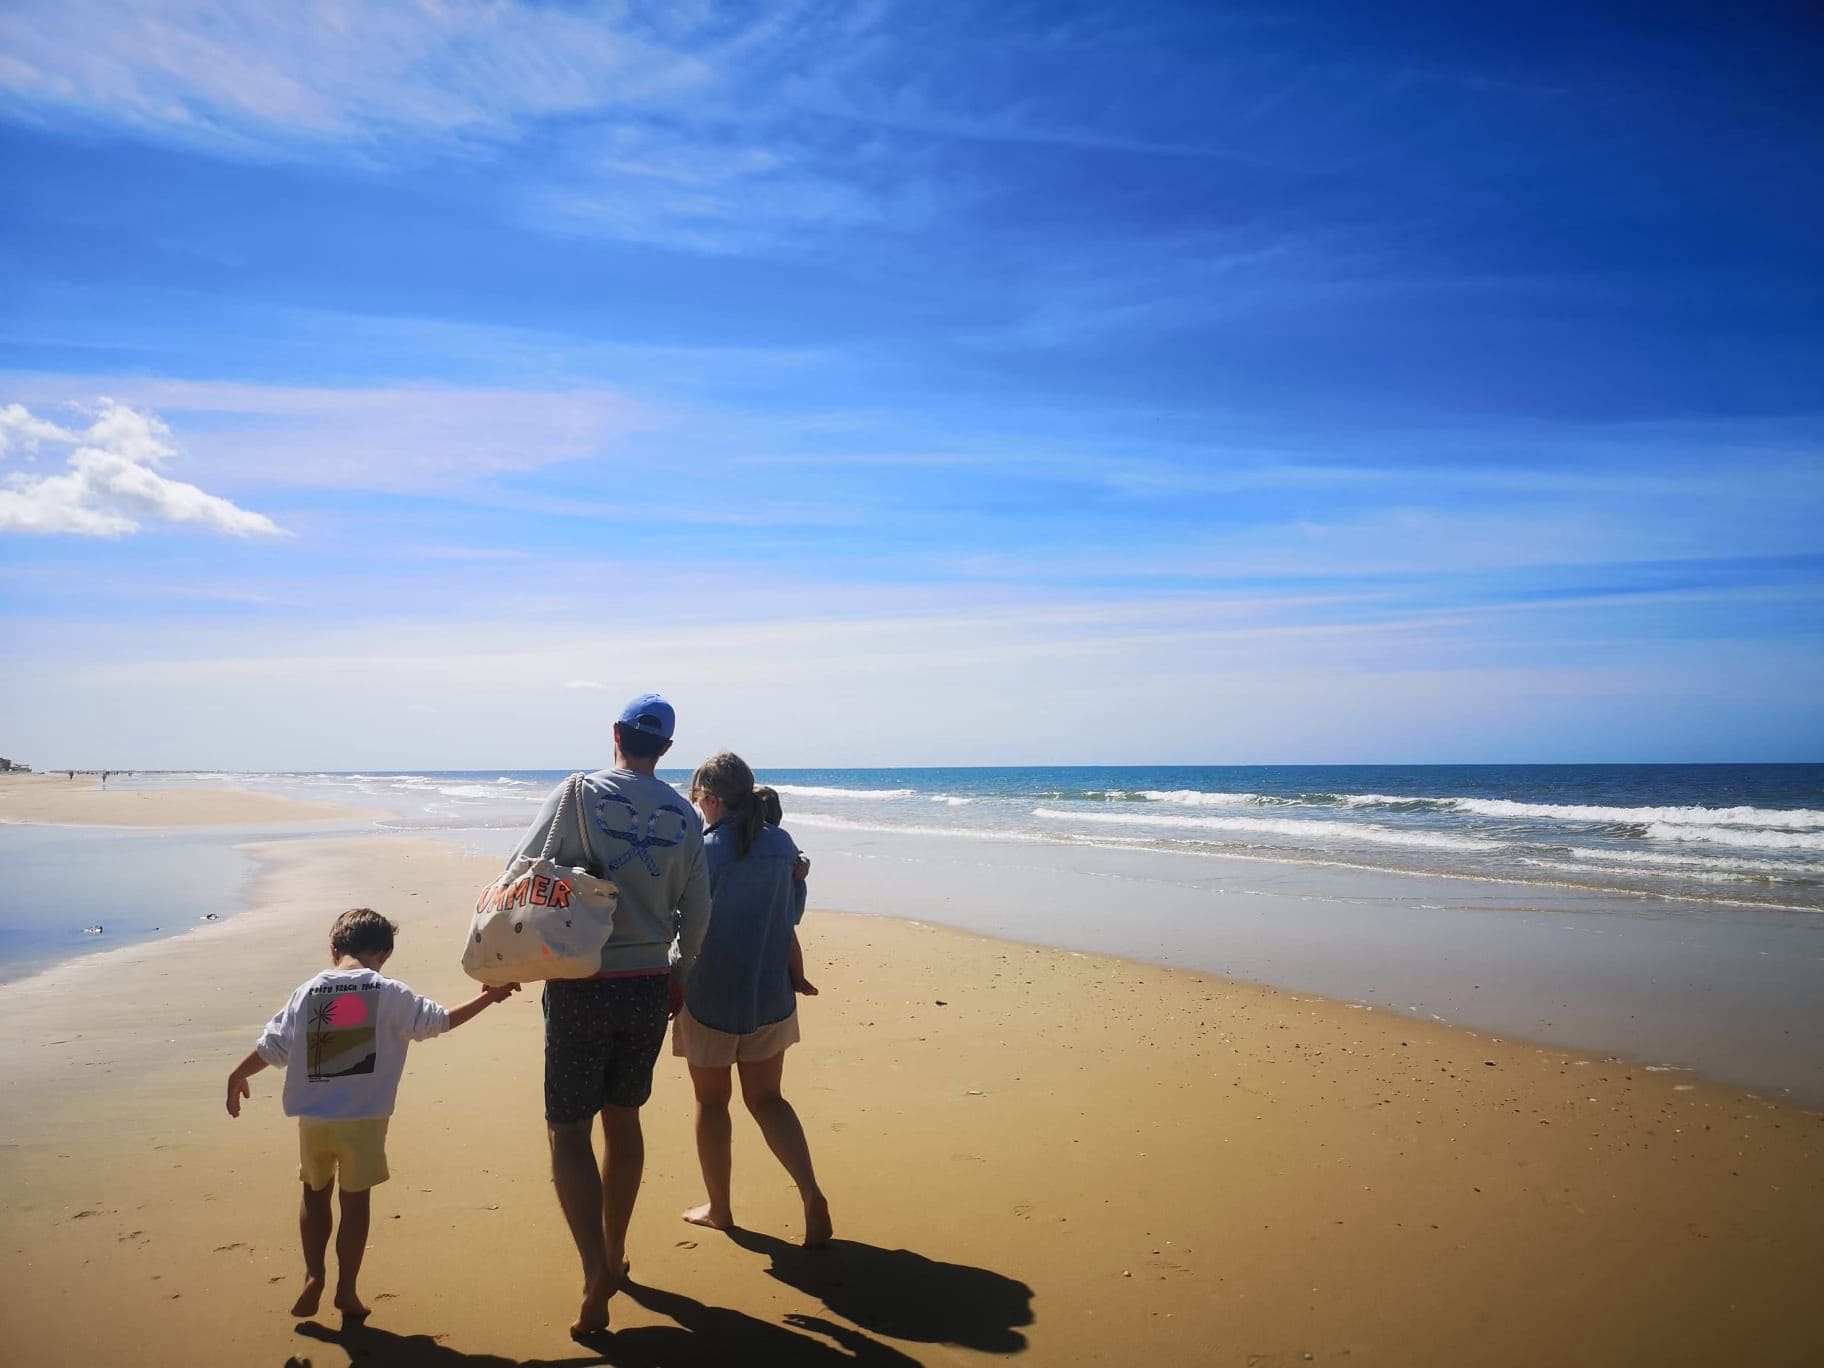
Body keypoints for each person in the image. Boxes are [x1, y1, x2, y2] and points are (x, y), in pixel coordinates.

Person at [509, 692, 711, 1336]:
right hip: (649, 983)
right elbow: (698, 911)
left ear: (616, 733)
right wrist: (680, 973)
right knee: (624, 1119)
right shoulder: (685, 814)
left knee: (568, 1129)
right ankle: (616, 1251)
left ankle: (595, 1265)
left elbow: (519, 872)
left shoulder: (578, 793)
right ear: (667, 749)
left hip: (583, 980)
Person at [223, 908, 519, 1319]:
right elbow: (439, 1022)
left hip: (314, 1121)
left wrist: (238, 1074)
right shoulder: (390, 992)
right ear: (384, 954)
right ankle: (346, 1290)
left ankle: (313, 1274)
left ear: (334, 949)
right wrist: (489, 997)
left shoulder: (308, 992)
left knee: (314, 1194)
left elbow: (273, 1046)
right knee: (355, 1203)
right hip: (364, 1122)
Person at [675, 752, 832, 1247]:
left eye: (698, 798)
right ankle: (809, 1191)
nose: (698, 806)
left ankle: (720, 1208)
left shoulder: (704, 851)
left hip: (709, 997)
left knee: (711, 1102)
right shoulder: (782, 845)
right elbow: (792, 915)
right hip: (769, 994)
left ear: (712, 799)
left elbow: (683, 923)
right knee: (768, 1100)